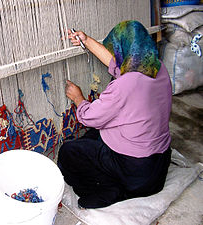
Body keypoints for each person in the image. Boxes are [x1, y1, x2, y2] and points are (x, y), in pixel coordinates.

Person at [57, 20, 172, 209]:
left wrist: (78, 98)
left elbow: (89, 117)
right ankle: (120, 185)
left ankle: (110, 190)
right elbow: (116, 63)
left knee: (69, 152)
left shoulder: (124, 86)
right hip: (157, 169)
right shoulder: (157, 68)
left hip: (133, 173)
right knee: (95, 136)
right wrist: (86, 40)